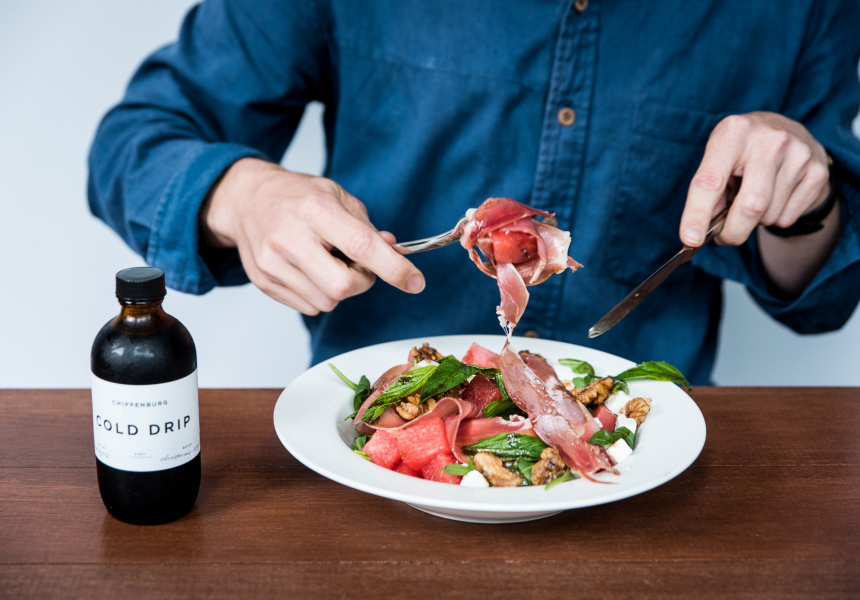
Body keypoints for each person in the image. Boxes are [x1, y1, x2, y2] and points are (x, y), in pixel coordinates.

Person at [88, 0, 860, 385]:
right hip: (373, 440)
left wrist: (805, 203)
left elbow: (821, 296)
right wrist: (244, 195)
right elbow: (134, 142)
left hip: (644, 453)